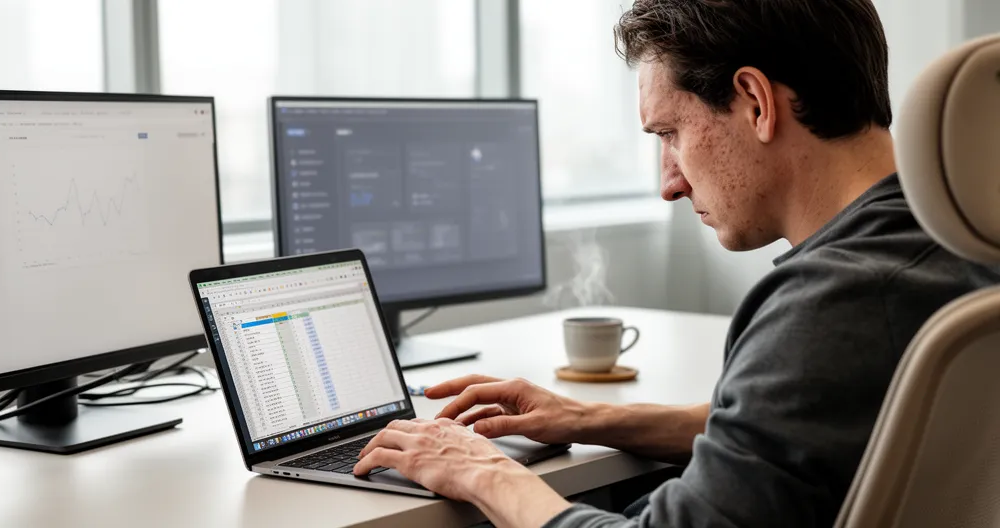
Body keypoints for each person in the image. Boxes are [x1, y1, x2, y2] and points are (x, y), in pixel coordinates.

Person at [354, 1, 1000, 526]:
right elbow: (803, 431)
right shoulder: (948, 247)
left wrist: (483, 472)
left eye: (669, 134)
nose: (669, 183)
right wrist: (591, 420)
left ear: (754, 100)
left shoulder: (838, 300)